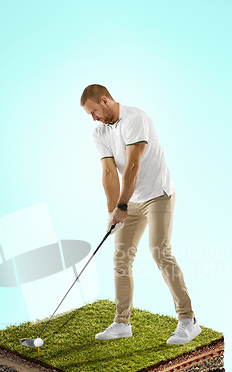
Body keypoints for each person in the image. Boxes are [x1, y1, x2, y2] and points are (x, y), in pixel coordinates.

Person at [80, 84, 201, 345]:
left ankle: (188, 320)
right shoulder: (100, 132)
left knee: (159, 251)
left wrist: (122, 206)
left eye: (94, 111)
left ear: (104, 100)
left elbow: (133, 166)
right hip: (131, 199)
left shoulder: (136, 119)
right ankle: (122, 323)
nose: (93, 118)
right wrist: (113, 211)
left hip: (157, 193)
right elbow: (110, 173)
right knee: (121, 258)